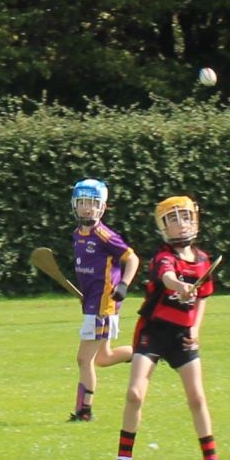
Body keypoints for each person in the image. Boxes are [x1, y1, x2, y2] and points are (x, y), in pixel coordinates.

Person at [104, 195, 222, 460]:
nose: (180, 224)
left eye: (184, 217)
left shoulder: (204, 259)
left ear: (195, 220)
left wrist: (195, 330)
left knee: (197, 398)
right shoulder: (163, 256)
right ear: (163, 227)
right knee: (134, 394)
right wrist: (181, 286)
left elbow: (203, 298)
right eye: (172, 219)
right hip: (153, 332)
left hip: (182, 335)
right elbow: (167, 277)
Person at [69, 177, 140, 422]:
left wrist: (124, 285)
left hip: (103, 305)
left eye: (93, 203)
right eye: (83, 202)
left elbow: (132, 259)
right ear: (75, 205)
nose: (87, 207)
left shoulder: (104, 234)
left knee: (83, 358)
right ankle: (145, 352)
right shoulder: (77, 234)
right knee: (103, 358)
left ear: (102, 206)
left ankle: (84, 411)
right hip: (91, 302)